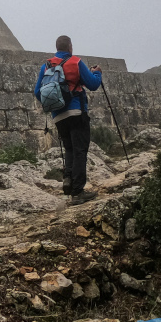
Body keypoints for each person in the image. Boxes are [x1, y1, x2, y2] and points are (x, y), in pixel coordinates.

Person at [34, 36, 102, 206]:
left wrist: (57, 103)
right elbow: (93, 84)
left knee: (69, 149)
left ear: (56, 48)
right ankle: (78, 192)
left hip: (58, 116)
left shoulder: (47, 66)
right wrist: (97, 72)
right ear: (70, 47)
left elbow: (37, 92)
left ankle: (68, 180)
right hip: (76, 111)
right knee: (80, 150)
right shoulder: (75, 62)